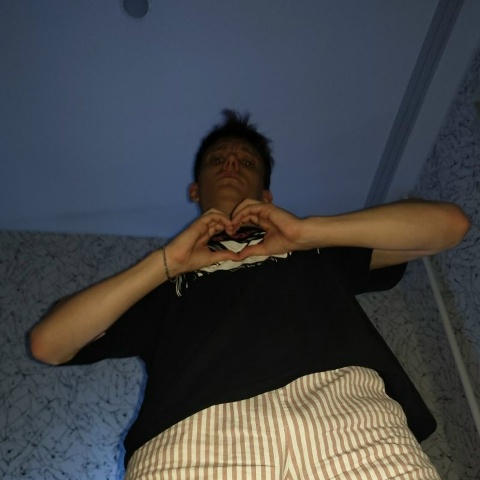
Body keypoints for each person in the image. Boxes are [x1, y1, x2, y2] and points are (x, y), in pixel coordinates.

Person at [30, 109, 470, 479]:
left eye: (246, 161)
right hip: (191, 441)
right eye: (218, 159)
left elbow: (450, 226)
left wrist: (308, 232)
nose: (231, 165)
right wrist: (166, 263)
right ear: (195, 189)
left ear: (267, 193)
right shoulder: (158, 283)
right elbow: (48, 344)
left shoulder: (313, 249)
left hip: (351, 416)